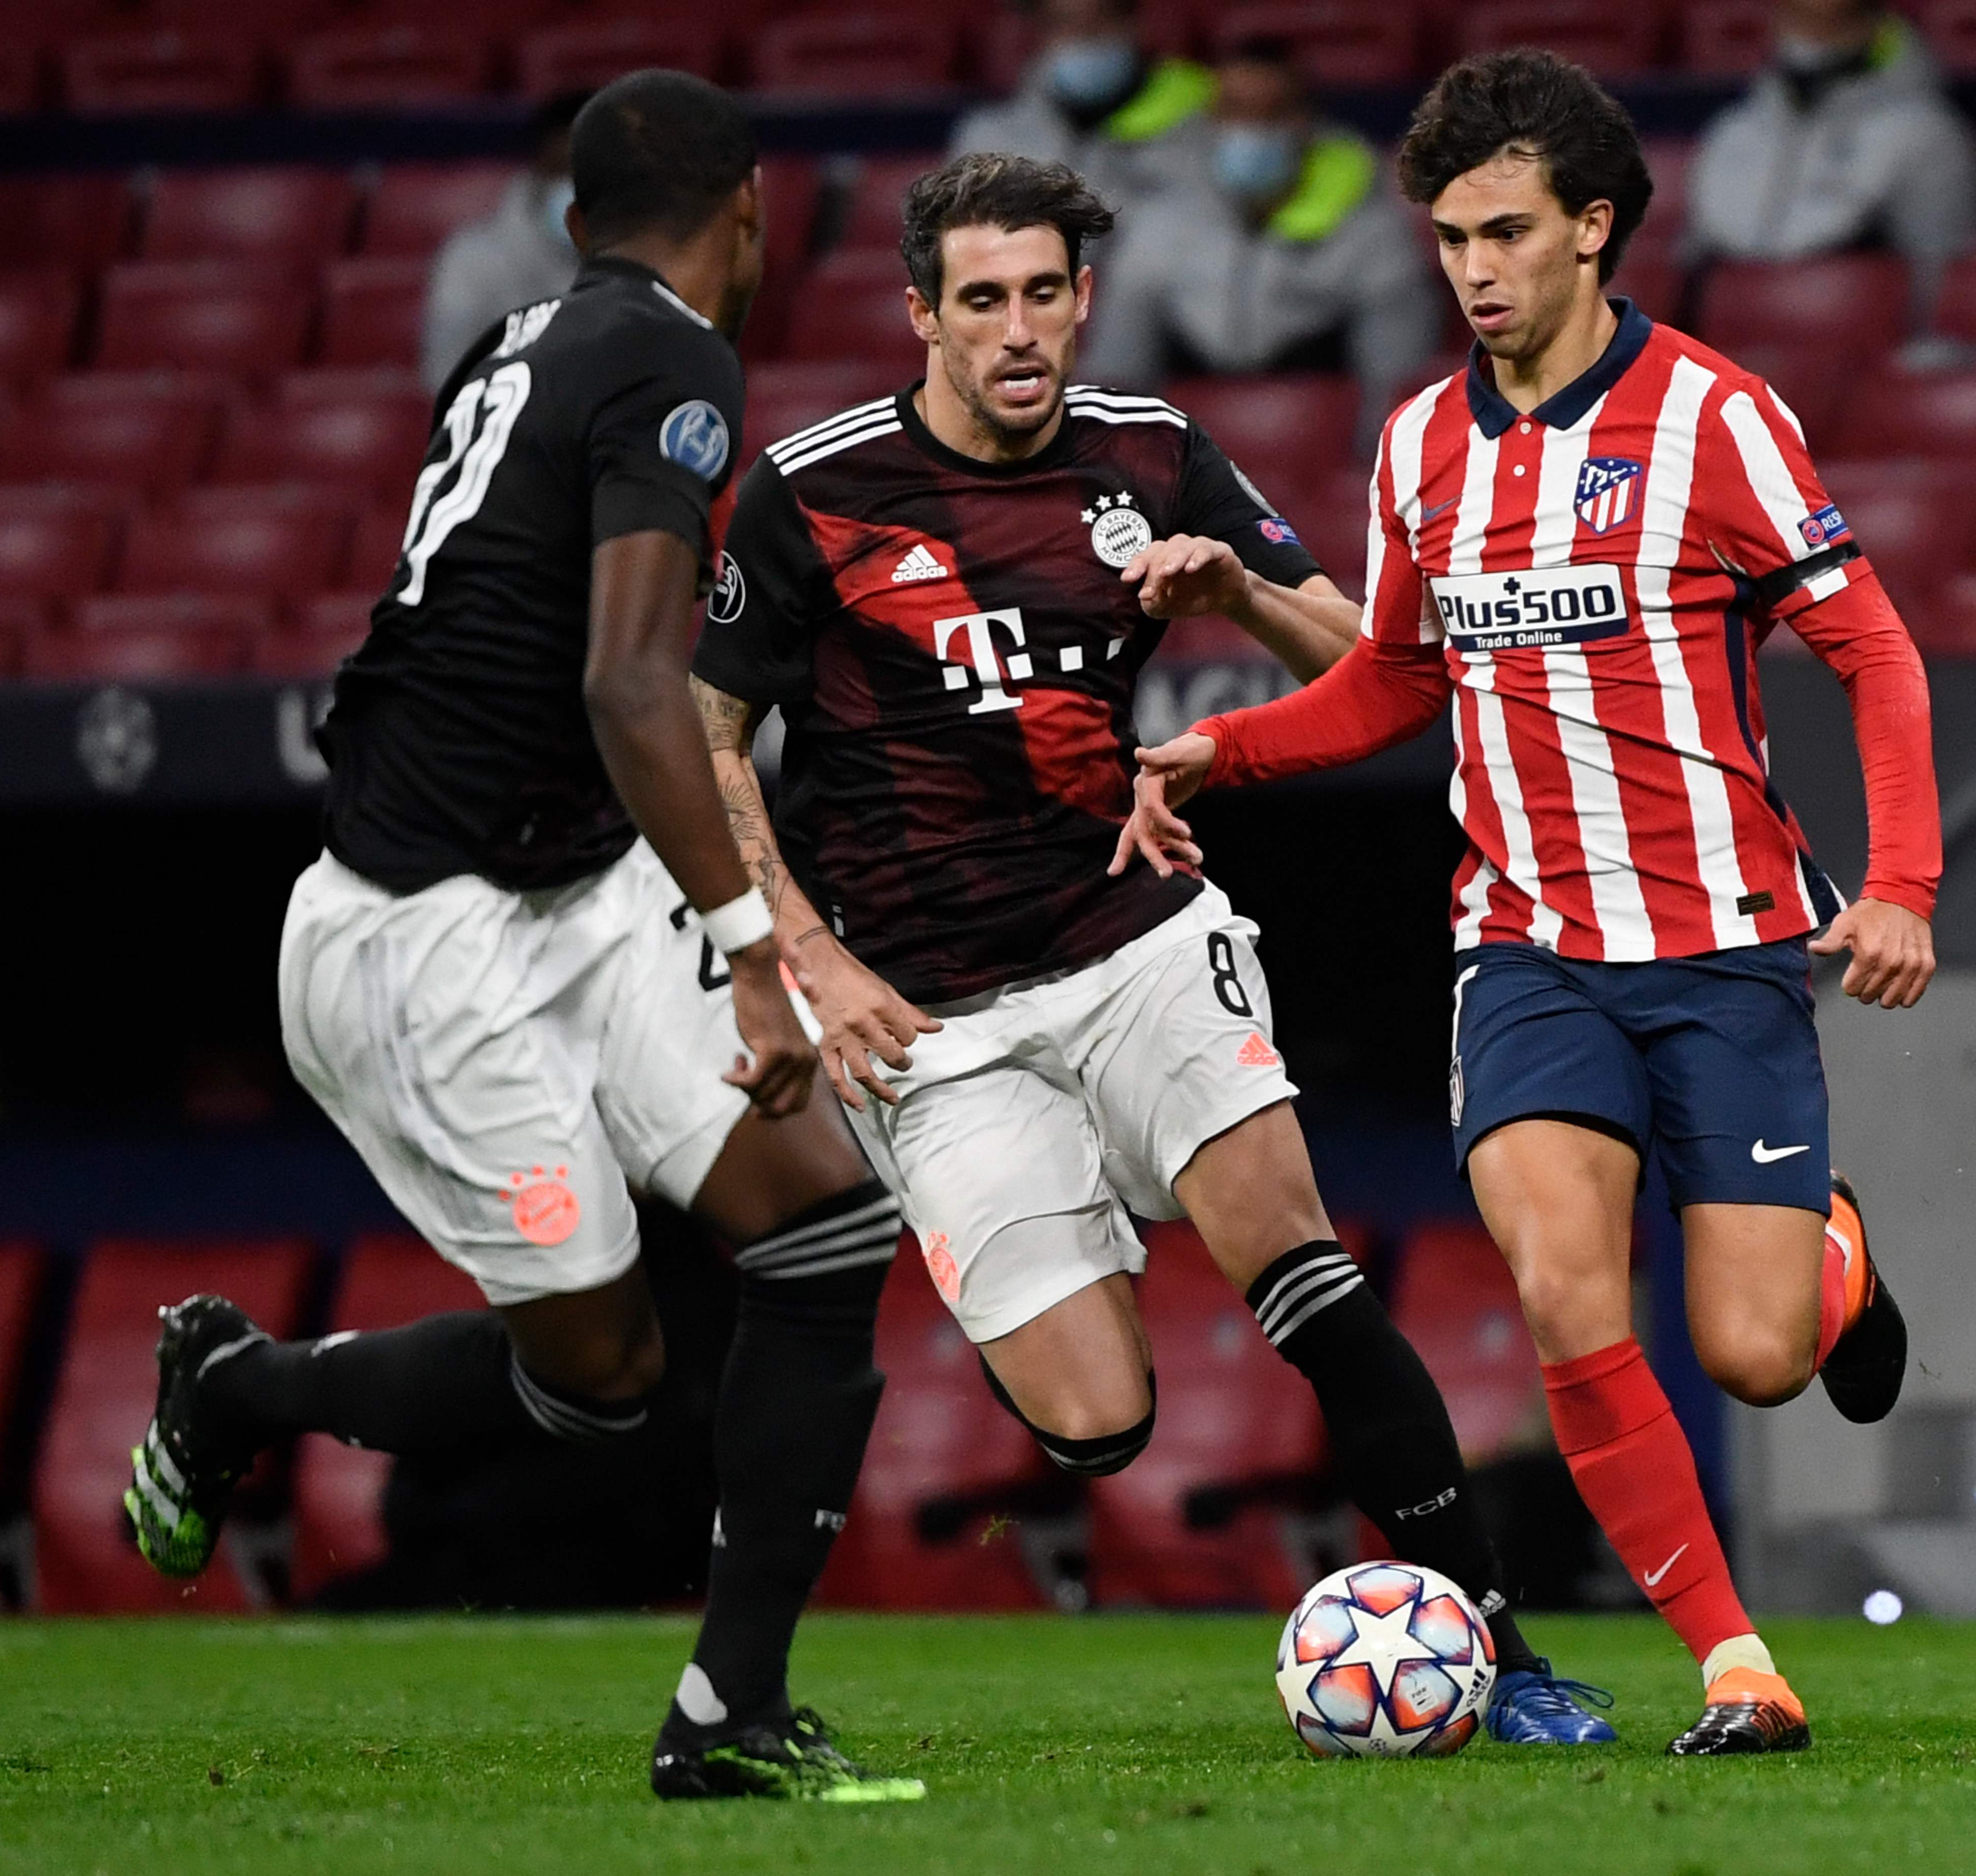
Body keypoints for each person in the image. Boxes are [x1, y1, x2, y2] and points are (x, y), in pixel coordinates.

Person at [690, 150, 1616, 1747]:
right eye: (979, 300)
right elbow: (701, 739)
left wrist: (1240, 591)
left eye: (1043, 292)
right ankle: (1046, 1237)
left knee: (1297, 1255)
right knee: (1098, 1426)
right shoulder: (810, 491)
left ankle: (1511, 1653)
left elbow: (1389, 667)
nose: (1016, 329)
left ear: (1083, 298)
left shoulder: (1150, 452)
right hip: (932, 1011)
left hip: (1136, 936)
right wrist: (796, 960)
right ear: (920, 314)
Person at [1123, 51, 1941, 1757]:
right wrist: (1231, 748)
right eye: (1445, 240)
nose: (1472, 270)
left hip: (1721, 952)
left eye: (1503, 232)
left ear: (1588, 230)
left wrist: (1900, 886)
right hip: (1524, 952)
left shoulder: (1714, 417)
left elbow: (1869, 649)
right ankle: (1735, 1665)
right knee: (1567, 1296)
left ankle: (1833, 1264)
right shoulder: (1421, 445)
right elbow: (1390, 684)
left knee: (1752, 1354)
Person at [123, 71, 923, 1805]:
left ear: (573, 218)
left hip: (569, 884)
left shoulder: (524, 335)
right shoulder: (673, 358)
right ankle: (247, 1391)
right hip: (431, 937)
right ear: (749, 215)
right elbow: (625, 679)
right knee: (604, 1373)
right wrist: (755, 952)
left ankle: (731, 1713)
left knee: (822, 1226)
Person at [1079, 36, 1439, 448]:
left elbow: (1397, 392)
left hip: (1325, 465)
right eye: (1235, 111)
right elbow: (1115, 381)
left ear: (1307, 121)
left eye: (1272, 113)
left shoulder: (1375, 236)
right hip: (1185, 473)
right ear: (1210, 120)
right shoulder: (1156, 228)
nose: (1250, 130)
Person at [1680, 0, 1976, 319]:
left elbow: (1948, 301)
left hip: (1862, 355)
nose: (1812, 37)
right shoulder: (1732, 132)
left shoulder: (1927, 136)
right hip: (1732, 356)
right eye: (1798, 15)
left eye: (1835, 20)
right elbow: (1691, 275)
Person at [950, 0, 1212, 210]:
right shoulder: (986, 140)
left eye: (1103, 18)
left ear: (1133, 23)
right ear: (1039, 33)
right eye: (1066, 22)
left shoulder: (1195, 122)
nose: (1086, 34)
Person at [420, 90, 594, 393]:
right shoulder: (471, 261)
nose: (575, 190)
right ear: (537, 168)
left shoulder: (660, 260)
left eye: (588, 175)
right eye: (561, 173)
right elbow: (446, 374)